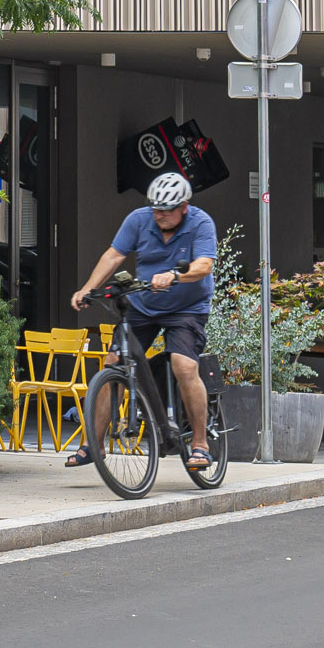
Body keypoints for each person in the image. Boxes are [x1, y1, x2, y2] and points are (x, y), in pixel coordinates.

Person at [69, 170, 217, 470]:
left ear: (184, 207)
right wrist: (88, 288)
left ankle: (200, 444)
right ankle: (93, 445)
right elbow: (114, 255)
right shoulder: (138, 220)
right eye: (156, 209)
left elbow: (204, 265)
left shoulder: (201, 223)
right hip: (144, 305)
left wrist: (175, 275)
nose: (160, 215)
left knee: (184, 365)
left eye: (167, 210)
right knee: (113, 364)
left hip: (186, 308)